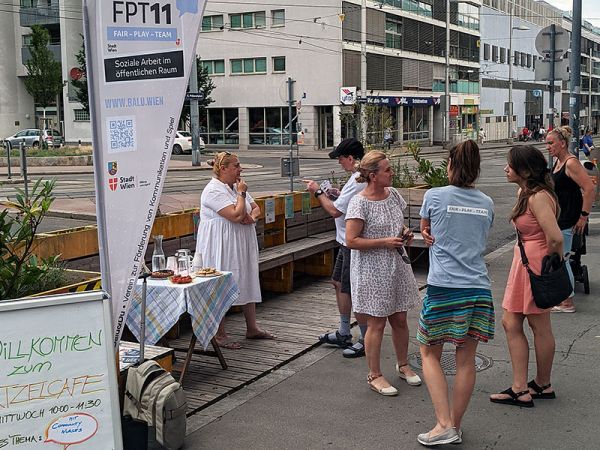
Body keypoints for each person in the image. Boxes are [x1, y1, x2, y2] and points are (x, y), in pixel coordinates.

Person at [416, 140, 495, 446]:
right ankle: (455, 426)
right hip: (478, 288)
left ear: (450, 165)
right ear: (476, 169)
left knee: (428, 352)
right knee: (466, 360)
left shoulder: (434, 195)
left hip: (444, 286)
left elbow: (427, 229)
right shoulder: (486, 202)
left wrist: (426, 232)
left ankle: (443, 423)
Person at [490, 145, 563, 408]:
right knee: (520, 323)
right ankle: (539, 384)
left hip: (534, 265)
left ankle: (526, 387)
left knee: (528, 324)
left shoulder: (537, 197)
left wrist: (551, 265)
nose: (505, 168)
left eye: (510, 164)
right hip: (527, 263)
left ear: (525, 170)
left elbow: (554, 237)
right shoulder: (529, 192)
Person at [345, 151, 422, 396]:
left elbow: (396, 224)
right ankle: (374, 375)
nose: (392, 172)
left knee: (400, 318)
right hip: (372, 269)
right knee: (376, 322)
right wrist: (384, 242)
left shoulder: (394, 195)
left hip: (396, 264)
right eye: (387, 170)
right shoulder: (359, 202)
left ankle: (403, 365)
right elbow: (351, 240)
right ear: (373, 175)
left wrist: (405, 232)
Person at [192, 152, 275, 349]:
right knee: (221, 281)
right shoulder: (213, 190)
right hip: (221, 243)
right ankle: (219, 334)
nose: (240, 169)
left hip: (240, 240)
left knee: (246, 276)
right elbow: (236, 214)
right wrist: (242, 197)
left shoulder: (236, 186)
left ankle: (252, 327)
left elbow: (255, 208)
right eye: (236, 166)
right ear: (223, 169)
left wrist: (251, 217)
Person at [303, 138, 368, 358]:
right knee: (339, 283)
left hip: (352, 242)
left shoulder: (359, 179)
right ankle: (344, 331)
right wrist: (338, 196)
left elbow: (335, 212)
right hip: (345, 240)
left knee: (353, 290)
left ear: (351, 158)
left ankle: (365, 338)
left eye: (340, 158)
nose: (339, 163)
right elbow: (345, 205)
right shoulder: (356, 179)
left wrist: (318, 192)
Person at [546, 126, 595, 313]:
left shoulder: (570, 163)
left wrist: (583, 216)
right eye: (547, 143)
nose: (548, 147)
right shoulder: (559, 162)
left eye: (551, 143)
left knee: (562, 259)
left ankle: (567, 301)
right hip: (559, 219)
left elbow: (589, 189)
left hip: (567, 220)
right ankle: (562, 297)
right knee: (558, 258)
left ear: (563, 143)